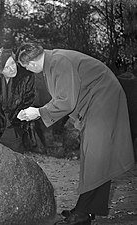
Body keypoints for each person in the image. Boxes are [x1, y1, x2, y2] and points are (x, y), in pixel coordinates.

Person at [16, 42, 135, 225]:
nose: (29, 71)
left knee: (95, 157)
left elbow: (65, 102)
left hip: (103, 100)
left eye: (26, 67)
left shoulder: (58, 62)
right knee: (96, 158)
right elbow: (67, 96)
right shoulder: (51, 62)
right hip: (96, 100)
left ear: (30, 63)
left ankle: (81, 214)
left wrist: (38, 112)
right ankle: (87, 210)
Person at [0, 47, 36, 153]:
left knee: (15, 160)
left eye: (12, 64)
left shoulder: (27, 75)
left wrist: (18, 120)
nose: (12, 69)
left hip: (16, 124)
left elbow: (29, 101)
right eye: (6, 68)